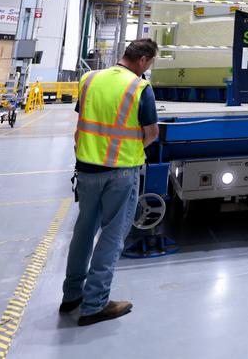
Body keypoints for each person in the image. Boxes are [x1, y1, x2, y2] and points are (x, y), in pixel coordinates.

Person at [61, 38, 160, 327]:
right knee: (112, 236)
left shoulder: (89, 79)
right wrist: (132, 149)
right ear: (143, 61)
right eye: (150, 63)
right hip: (121, 170)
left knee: (83, 231)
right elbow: (151, 132)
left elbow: (84, 120)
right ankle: (94, 304)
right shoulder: (139, 87)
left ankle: (71, 295)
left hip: (87, 169)